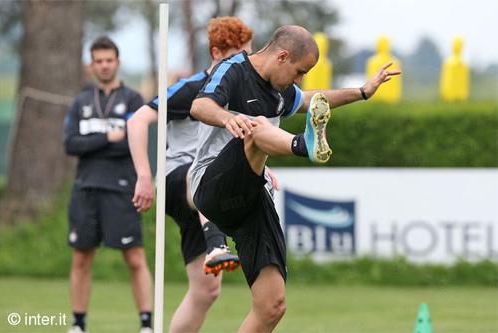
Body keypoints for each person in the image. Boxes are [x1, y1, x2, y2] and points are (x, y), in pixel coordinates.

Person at [189, 25, 401, 332]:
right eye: (299, 71)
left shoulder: (279, 89)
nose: (299, 80)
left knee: (272, 306)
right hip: (210, 185)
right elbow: (199, 105)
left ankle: (304, 143)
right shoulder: (233, 69)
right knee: (257, 127)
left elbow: (311, 100)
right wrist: (227, 117)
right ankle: (304, 144)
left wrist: (362, 92)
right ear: (282, 56)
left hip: (250, 195)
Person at [128, 17, 273, 333]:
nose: (245, 63)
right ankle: (216, 244)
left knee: (206, 291)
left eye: (248, 55)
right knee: (207, 177)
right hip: (176, 180)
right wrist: (142, 176)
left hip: (203, 195)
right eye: (238, 56)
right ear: (217, 53)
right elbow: (137, 120)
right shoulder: (191, 90)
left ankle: (215, 244)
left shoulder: (239, 91)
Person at [64, 36, 153, 333]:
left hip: (122, 187)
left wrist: (103, 142)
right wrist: (108, 138)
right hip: (86, 188)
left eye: (109, 60)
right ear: (91, 65)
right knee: (81, 257)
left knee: (135, 257)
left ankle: (146, 324)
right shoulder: (80, 101)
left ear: (117, 63)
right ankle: (78, 323)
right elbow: (71, 144)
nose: (104, 66)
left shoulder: (132, 100)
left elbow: (132, 142)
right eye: (98, 61)